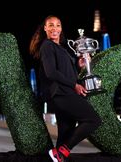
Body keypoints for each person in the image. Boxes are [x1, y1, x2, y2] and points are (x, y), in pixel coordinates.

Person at [29, 15, 102, 162]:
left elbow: (66, 71)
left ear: (61, 28)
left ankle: (59, 155)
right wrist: (74, 85)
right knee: (93, 120)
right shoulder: (47, 46)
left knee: (65, 133)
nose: (54, 28)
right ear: (45, 28)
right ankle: (61, 152)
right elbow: (51, 73)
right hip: (62, 94)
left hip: (64, 93)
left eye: (57, 25)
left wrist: (79, 64)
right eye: (50, 25)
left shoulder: (60, 47)